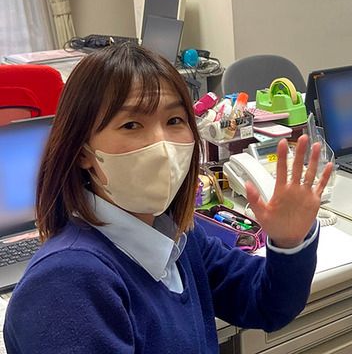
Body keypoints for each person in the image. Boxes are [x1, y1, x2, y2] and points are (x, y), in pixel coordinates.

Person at [4, 44, 333, 353]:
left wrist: (289, 243)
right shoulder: (66, 284)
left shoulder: (176, 236)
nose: (161, 145)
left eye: (174, 120)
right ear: (82, 152)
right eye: (131, 124)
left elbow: (266, 304)